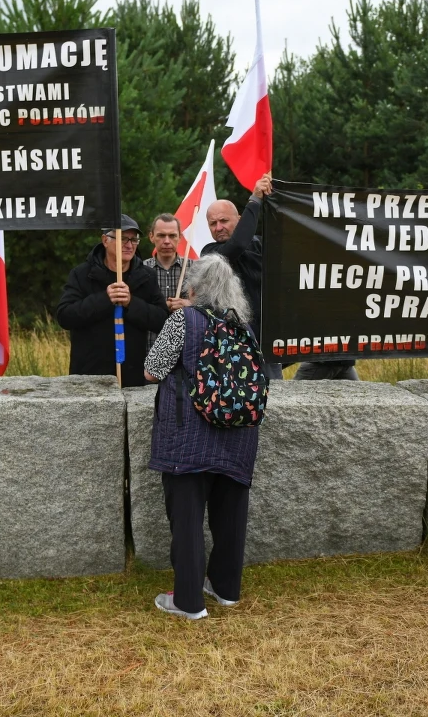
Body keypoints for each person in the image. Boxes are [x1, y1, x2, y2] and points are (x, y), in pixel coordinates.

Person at [144, 254, 261, 619]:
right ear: (232, 291)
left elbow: (152, 370)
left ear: (193, 286)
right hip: (239, 434)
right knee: (230, 516)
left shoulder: (184, 319)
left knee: (188, 516)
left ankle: (188, 602)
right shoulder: (243, 325)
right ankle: (225, 589)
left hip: (188, 435)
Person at [56, 215, 168, 387]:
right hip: (90, 376)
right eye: (123, 238)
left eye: (134, 239)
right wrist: (104, 299)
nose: (129, 245)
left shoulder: (146, 276)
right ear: (105, 240)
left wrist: (131, 303)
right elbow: (65, 316)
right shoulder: (82, 274)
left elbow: (161, 320)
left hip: (133, 376)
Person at [202, 172, 280, 378]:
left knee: (276, 405)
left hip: (267, 345)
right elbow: (237, 245)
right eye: (213, 223)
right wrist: (255, 200)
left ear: (239, 218)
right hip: (232, 349)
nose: (218, 228)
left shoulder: (262, 245)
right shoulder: (210, 254)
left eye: (224, 221)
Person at [143, 213, 191, 348]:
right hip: (150, 347)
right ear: (151, 237)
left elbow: (209, 306)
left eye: (172, 236)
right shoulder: (140, 270)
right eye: (161, 235)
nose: (167, 241)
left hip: (186, 349)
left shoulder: (195, 269)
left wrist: (189, 304)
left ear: (180, 237)